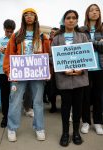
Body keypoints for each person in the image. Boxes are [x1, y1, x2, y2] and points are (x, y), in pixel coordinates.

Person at [3, 8, 50, 142]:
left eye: (32, 15)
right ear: (23, 18)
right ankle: (12, 128)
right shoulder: (16, 35)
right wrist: (9, 70)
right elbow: (9, 54)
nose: (29, 17)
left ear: (35, 18)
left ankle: (39, 127)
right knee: (15, 101)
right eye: (26, 15)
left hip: (37, 74)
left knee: (38, 101)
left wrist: (48, 71)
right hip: (19, 73)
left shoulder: (42, 36)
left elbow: (47, 55)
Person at [52, 10, 89, 146]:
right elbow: (53, 58)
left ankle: (76, 132)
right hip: (64, 79)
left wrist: (82, 69)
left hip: (80, 79)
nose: (71, 20)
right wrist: (63, 70)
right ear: (64, 20)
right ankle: (65, 133)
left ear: (77, 20)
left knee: (78, 107)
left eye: (74, 18)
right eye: (68, 18)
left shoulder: (82, 36)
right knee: (65, 107)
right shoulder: (56, 39)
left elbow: (88, 56)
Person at [81, 4, 103, 135]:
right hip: (86, 68)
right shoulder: (82, 30)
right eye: (91, 10)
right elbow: (82, 46)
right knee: (85, 97)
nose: (94, 12)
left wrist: (91, 43)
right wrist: (99, 42)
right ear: (87, 13)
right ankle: (86, 122)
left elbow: (91, 44)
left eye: (97, 10)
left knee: (99, 96)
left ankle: (98, 122)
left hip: (100, 68)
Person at [0, 19, 16, 128]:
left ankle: (13, 116)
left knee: (15, 95)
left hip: (16, 72)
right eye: (7, 31)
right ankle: (5, 117)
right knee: (5, 96)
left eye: (11, 31)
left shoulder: (17, 40)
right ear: (4, 29)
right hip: (3, 72)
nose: (10, 33)